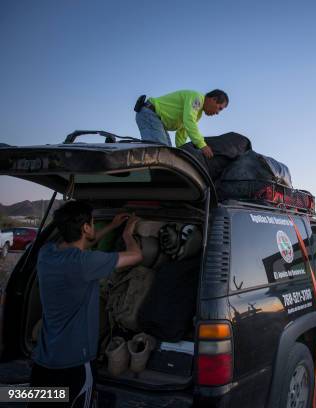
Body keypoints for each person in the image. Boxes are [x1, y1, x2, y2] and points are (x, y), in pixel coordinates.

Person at [29, 201, 143, 408]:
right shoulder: (85, 263)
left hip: (43, 362)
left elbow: (82, 245)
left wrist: (110, 226)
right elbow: (137, 256)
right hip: (74, 366)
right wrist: (127, 233)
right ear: (86, 228)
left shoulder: (46, 253)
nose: (94, 226)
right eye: (92, 223)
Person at [134, 89, 229, 159]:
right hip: (150, 114)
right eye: (219, 108)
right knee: (161, 154)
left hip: (157, 121)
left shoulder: (197, 114)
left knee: (170, 154)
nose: (217, 113)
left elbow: (181, 134)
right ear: (214, 99)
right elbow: (189, 121)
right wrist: (202, 145)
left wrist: (182, 152)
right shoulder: (197, 98)